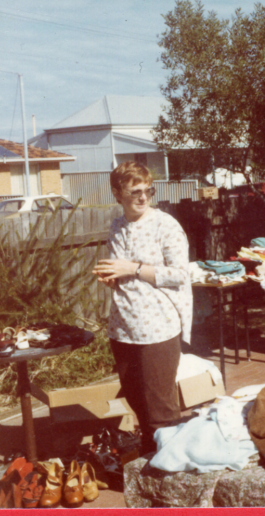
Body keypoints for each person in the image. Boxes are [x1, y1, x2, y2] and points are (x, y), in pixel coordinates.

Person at [93, 161, 192, 455]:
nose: (143, 197)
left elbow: (180, 275)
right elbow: (120, 273)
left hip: (157, 328)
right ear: (117, 193)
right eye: (135, 191)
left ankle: (170, 467)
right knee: (137, 401)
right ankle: (151, 461)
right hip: (123, 327)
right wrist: (111, 278)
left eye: (148, 190)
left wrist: (133, 268)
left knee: (161, 410)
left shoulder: (166, 225)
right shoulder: (117, 226)